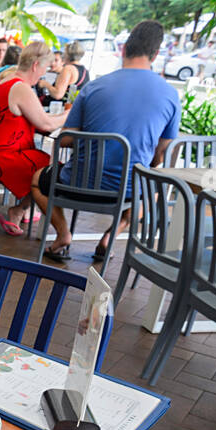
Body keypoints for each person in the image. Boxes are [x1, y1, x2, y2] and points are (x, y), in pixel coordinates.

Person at [29, 19, 180, 263]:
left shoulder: (94, 87)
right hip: (128, 192)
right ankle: (112, 234)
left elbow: (66, 138)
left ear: (123, 49)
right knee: (151, 191)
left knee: (37, 180)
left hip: (76, 183)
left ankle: (62, 235)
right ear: (156, 53)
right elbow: (160, 155)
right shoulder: (170, 94)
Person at [0, 41, 67, 236]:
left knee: (47, 164)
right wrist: (70, 115)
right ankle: (23, 212)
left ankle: (21, 210)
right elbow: (45, 124)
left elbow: (40, 120)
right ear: (36, 65)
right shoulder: (21, 88)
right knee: (53, 170)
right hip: (3, 156)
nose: (44, 74)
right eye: (45, 68)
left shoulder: (8, 79)